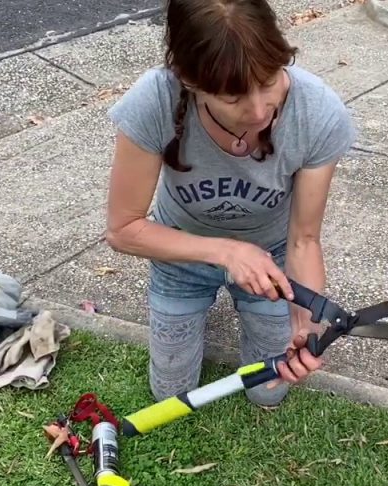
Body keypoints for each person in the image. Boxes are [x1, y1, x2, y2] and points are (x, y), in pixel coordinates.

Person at [104, 0, 357, 407]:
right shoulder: (153, 100)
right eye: (233, 95)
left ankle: (246, 312)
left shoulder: (319, 112)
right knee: (170, 394)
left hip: (270, 265)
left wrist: (305, 328)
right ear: (189, 79)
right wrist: (228, 252)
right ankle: (193, 307)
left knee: (268, 394)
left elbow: (304, 239)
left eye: (269, 80)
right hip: (179, 253)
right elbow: (123, 229)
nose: (258, 110)